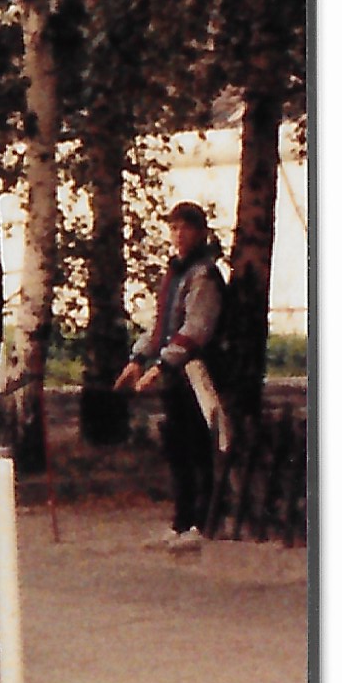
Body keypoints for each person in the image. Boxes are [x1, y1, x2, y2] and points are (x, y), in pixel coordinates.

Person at [119, 202, 227, 547]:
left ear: (200, 232)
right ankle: (180, 522)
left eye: (186, 228)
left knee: (199, 448)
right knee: (178, 449)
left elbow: (196, 328)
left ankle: (202, 524)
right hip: (175, 379)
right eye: (174, 227)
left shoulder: (204, 275)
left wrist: (162, 364)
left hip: (198, 375)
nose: (179, 235)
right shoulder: (174, 274)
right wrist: (138, 358)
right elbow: (161, 324)